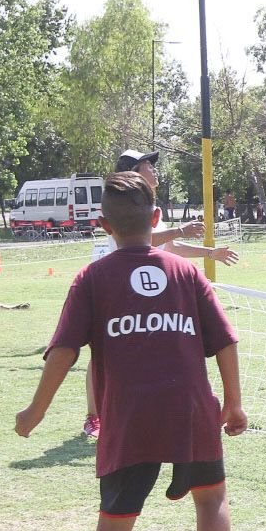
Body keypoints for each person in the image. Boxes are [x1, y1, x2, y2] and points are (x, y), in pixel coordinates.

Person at [15, 172, 251, 531]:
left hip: (128, 416)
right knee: (212, 500)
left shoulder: (93, 277)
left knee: (115, 521)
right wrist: (233, 402)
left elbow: (63, 349)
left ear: (103, 225)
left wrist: (36, 409)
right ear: (158, 219)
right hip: (190, 409)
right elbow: (226, 340)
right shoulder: (185, 274)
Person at [83, 150, 238, 441]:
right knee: (102, 350)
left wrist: (209, 254)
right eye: (148, 165)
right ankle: (95, 417)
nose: (155, 170)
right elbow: (137, 238)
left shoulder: (153, 206)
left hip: (148, 286)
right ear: (133, 171)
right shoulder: (123, 204)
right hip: (117, 284)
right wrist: (181, 229)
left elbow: (168, 247)